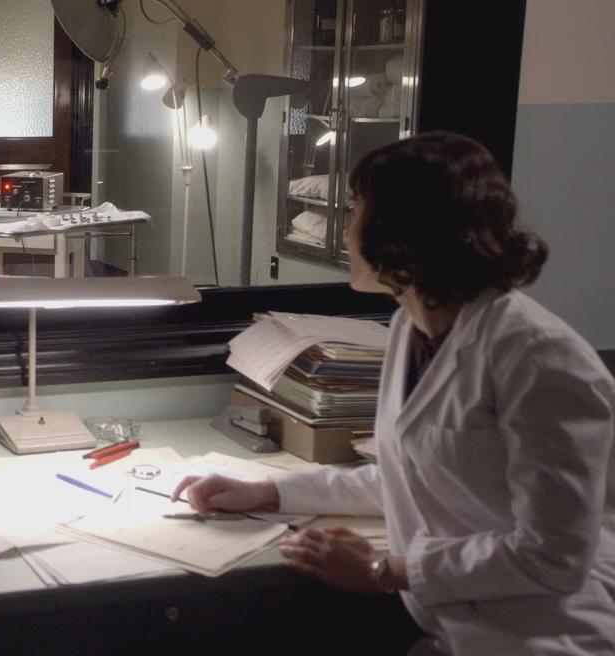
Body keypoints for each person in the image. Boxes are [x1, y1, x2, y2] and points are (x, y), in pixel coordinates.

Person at [172, 132, 615, 655]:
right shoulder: (413, 327)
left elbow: (554, 557)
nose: (347, 229)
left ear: (402, 234)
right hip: (457, 631)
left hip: (548, 640)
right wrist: (268, 491)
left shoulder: (540, 357)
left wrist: (383, 570)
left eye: (356, 211)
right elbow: (408, 479)